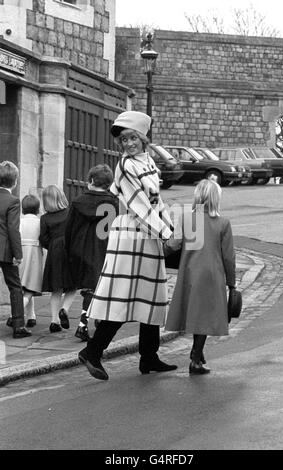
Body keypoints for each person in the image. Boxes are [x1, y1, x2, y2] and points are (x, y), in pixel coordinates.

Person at [79, 110, 177, 380]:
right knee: (124, 296)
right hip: (132, 234)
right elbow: (140, 205)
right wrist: (165, 233)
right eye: (124, 140)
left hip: (148, 235)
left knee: (151, 297)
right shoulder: (125, 166)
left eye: (132, 138)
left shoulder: (148, 163)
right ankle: (92, 351)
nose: (128, 144)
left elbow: (157, 203)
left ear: (143, 139)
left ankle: (149, 356)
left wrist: (170, 228)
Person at [164, 179, 236, 374]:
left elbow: (173, 244)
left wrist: (159, 253)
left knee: (196, 314)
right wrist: (232, 284)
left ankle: (198, 354)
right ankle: (195, 358)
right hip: (212, 274)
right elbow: (228, 257)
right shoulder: (223, 223)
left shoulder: (187, 218)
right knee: (204, 316)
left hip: (189, 272)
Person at [65, 164, 119, 341]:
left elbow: (69, 229)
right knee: (101, 287)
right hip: (104, 248)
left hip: (80, 249)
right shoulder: (113, 203)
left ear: (91, 181)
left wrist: (69, 250)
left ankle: (87, 323)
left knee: (90, 288)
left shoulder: (78, 201)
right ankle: (90, 322)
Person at [0, 161, 31, 338]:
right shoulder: (13, 201)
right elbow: (13, 229)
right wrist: (18, 254)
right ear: (15, 181)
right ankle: (18, 325)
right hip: (5, 250)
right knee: (15, 287)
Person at [39, 185, 77, 333]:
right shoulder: (70, 213)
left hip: (54, 252)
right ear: (61, 197)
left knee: (56, 288)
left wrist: (53, 246)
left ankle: (54, 321)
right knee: (73, 285)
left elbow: (43, 238)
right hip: (70, 249)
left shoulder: (44, 218)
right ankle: (65, 309)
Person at [18, 194, 44, 327]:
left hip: (21, 255)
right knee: (31, 287)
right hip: (34, 255)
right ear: (37, 209)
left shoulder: (19, 221)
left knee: (23, 285)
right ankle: (15, 313)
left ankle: (31, 316)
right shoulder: (40, 222)